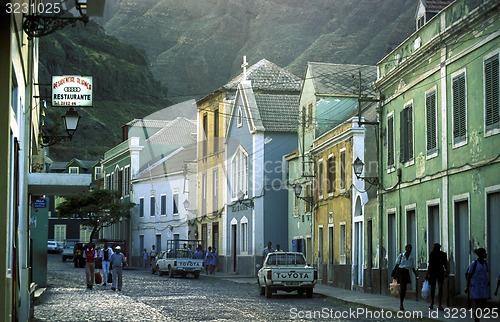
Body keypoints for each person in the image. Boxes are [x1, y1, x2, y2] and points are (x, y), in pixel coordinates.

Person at [465, 247, 489, 322]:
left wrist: (487, 281)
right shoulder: (474, 263)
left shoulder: (485, 263)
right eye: (484, 253)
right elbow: (469, 275)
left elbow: (486, 273)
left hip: (483, 285)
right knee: (477, 302)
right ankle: (477, 318)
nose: (486, 254)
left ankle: (477, 313)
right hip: (476, 285)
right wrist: (467, 287)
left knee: (484, 301)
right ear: (481, 254)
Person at [426, 243, 447, 310]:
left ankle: (433, 303)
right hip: (439, 271)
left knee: (434, 287)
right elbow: (445, 264)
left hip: (434, 272)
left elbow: (430, 265)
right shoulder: (442, 254)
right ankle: (438, 304)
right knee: (439, 287)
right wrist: (446, 271)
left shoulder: (432, 254)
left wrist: (427, 273)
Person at [396, 244, 418, 311]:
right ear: (405, 248)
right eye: (408, 248)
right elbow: (397, 264)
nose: (409, 250)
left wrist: (416, 275)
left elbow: (412, 267)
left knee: (404, 288)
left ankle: (402, 301)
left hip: (406, 272)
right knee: (402, 287)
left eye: (410, 248)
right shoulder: (401, 256)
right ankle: (401, 304)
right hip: (401, 271)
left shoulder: (411, 257)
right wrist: (396, 275)